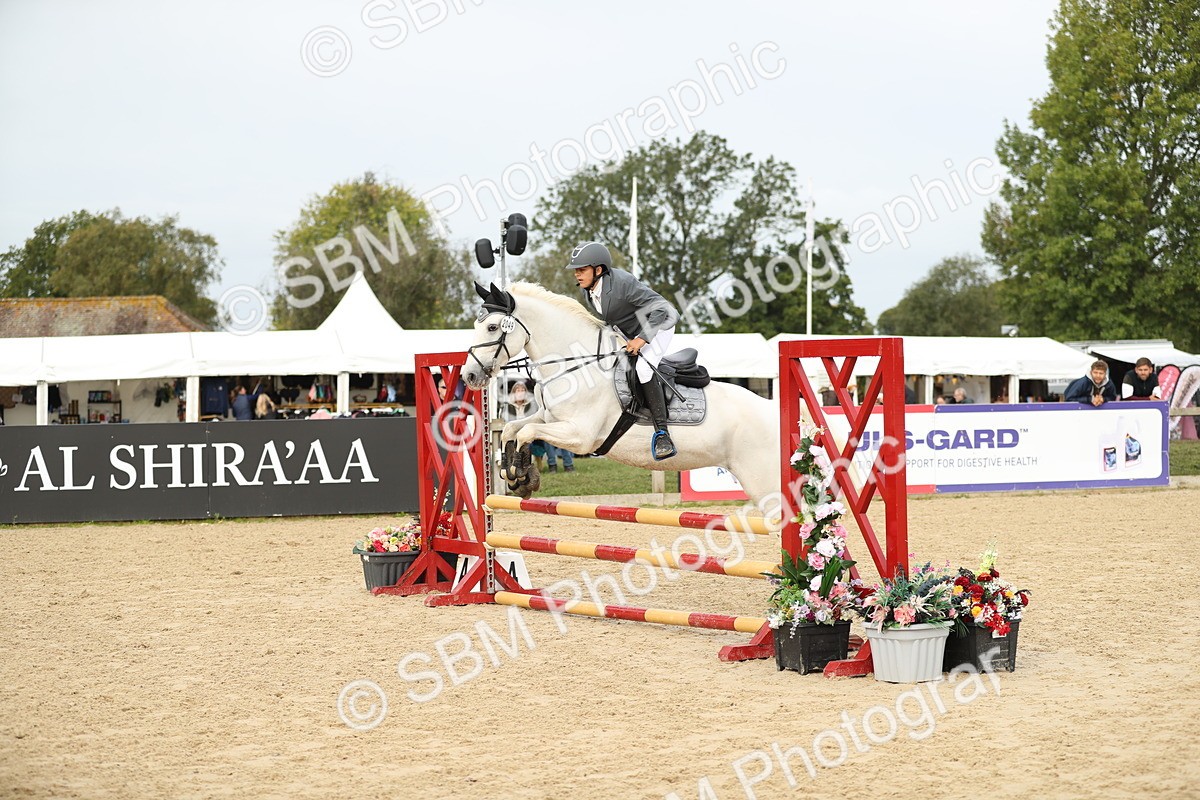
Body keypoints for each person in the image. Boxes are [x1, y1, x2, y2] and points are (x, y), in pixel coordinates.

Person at [567, 241, 680, 460]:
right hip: (630, 332)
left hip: (659, 326)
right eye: (576, 271)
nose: (577, 275)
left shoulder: (623, 283)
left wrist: (642, 339)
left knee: (644, 371)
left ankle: (663, 434)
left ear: (598, 270)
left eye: (582, 270)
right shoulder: (588, 291)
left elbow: (661, 309)